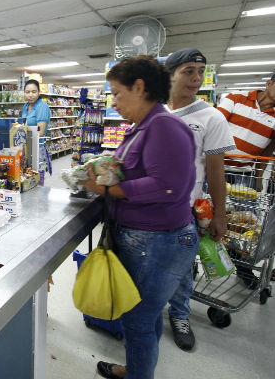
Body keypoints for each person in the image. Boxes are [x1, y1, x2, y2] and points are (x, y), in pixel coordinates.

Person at [79, 55, 199, 379]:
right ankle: (136, 369)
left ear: (140, 87)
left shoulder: (163, 125)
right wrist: (104, 170)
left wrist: (103, 189)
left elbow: (167, 186)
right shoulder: (144, 127)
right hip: (149, 240)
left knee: (137, 319)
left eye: (117, 93)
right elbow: (141, 171)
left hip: (158, 242)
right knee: (144, 317)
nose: (113, 102)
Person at [164, 48, 236, 351]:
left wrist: (219, 215)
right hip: (149, 209)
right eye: (188, 71)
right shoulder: (155, 110)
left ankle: (180, 315)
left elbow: (216, 173)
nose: (196, 78)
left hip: (185, 210)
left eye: (200, 71)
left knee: (181, 268)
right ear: (170, 74)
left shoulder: (211, 117)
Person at [217, 72, 275, 288]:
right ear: (269, 83)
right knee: (207, 216)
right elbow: (212, 128)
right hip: (216, 170)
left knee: (245, 223)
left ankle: (243, 267)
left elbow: (268, 151)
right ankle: (196, 260)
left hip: (245, 176)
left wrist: (258, 177)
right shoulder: (235, 98)